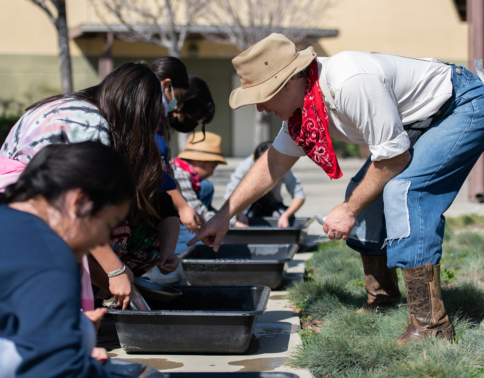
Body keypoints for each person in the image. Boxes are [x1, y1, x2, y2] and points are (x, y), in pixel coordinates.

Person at [190, 33, 484, 342]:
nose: (261, 108)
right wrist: (224, 215)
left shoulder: (349, 81)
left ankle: (430, 327)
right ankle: (383, 298)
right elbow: (273, 164)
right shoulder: (306, 109)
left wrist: (348, 210)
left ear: (288, 83)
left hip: (461, 104)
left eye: (262, 96)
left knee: (406, 191)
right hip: (418, 122)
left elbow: (394, 158)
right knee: (363, 193)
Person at [0, 142, 142, 377]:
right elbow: (58, 370)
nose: (104, 238)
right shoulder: (47, 254)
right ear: (79, 202)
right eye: (108, 224)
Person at [0, 62, 179, 310]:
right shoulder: (92, 125)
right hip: (32, 224)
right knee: (114, 227)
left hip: (3, 211)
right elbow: (79, 212)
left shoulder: (61, 105)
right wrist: (114, 271)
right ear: (135, 111)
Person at [150, 60, 216, 235]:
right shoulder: (155, 113)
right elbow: (157, 168)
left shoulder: (164, 120)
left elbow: (165, 168)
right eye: (178, 98)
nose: (176, 105)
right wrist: (182, 206)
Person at [225, 141, 305, 228]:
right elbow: (229, 196)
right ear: (254, 160)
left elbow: (299, 195)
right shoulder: (245, 166)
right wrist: (239, 214)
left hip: (274, 206)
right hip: (249, 208)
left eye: (270, 168)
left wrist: (286, 215)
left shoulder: (281, 166)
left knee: (288, 220)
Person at [172, 131, 227, 254]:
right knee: (214, 243)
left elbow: (205, 209)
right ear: (198, 160)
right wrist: (222, 222)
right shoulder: (180, 173)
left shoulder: (191, 175)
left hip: (185, 219)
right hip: (172, 223)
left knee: (206, 186)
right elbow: (194, 207)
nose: (212, 173)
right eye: (213, 166)